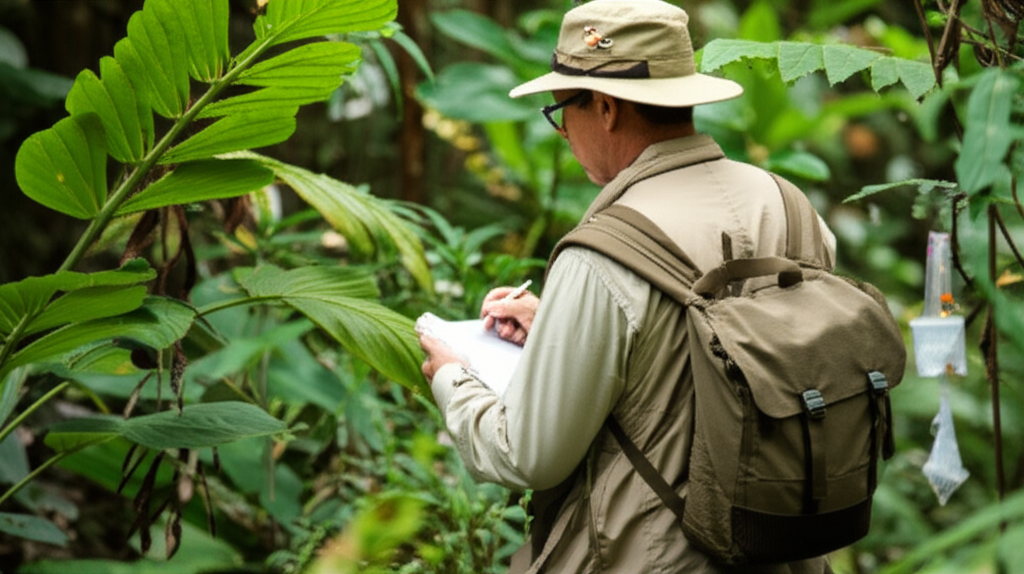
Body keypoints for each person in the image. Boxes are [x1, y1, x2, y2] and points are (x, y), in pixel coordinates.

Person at [418, 1, 837, 572]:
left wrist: (452, 377)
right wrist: (561, 327)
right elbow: (736, 361)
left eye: (562, 110)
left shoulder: (603, 252)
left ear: (607, 108)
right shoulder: (791, 206)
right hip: (786, 550)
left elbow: (529, 456)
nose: (563, 129)